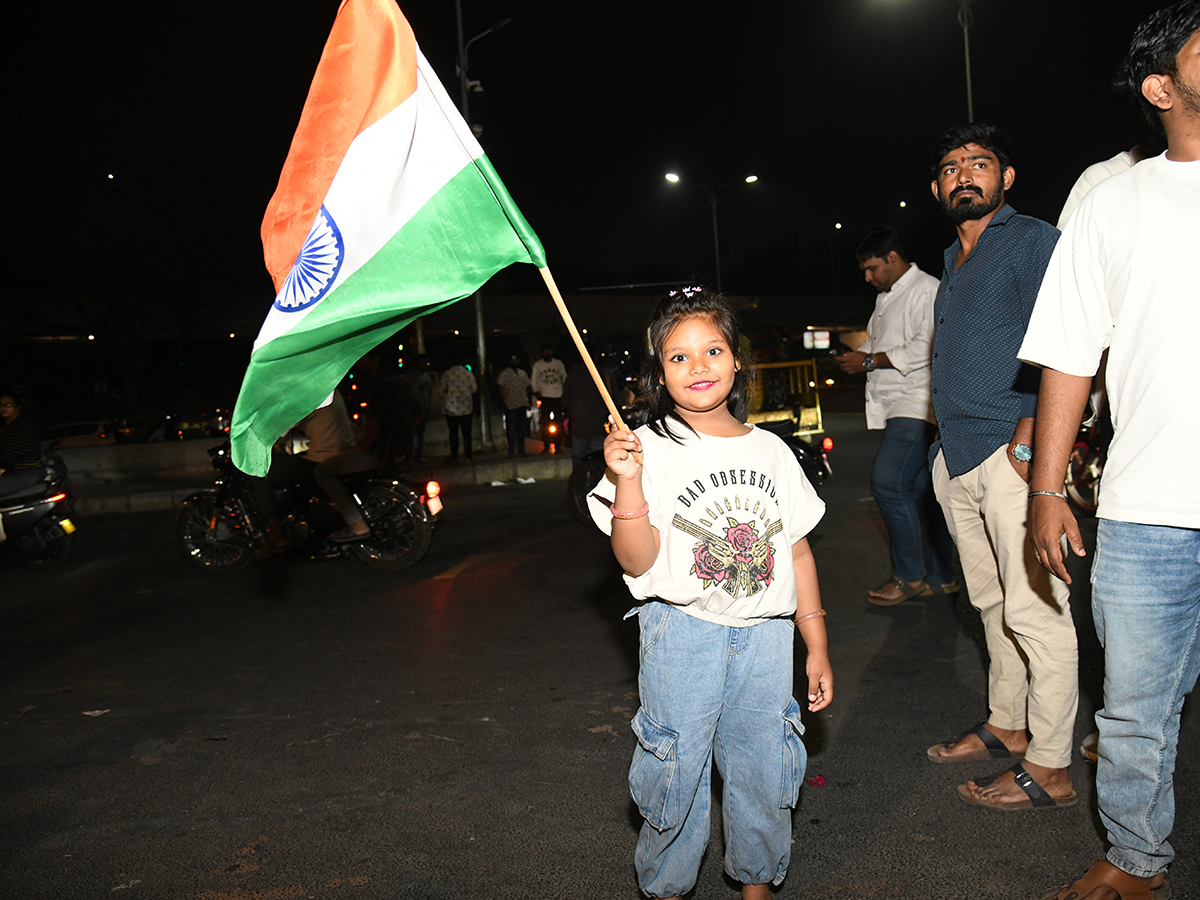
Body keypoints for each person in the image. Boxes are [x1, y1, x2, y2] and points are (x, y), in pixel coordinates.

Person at [1019, 5, 1199, 897]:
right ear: (1160, 86)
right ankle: (1135, 856)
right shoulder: (1113, 202)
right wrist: (1045, 491)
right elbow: (1068, 354)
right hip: (1147, 511)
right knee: (1133, 715)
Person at [594, 286, 832, 900]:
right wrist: (627, 482)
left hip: (768, 639)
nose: (698, 366)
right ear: (659, 372)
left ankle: (757, 886)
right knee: (676, 769)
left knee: (763, 767)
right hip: (682, 634)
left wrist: (818, 644)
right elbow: (636, 558)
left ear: (736, 361)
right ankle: (668, 888)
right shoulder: (646, 449)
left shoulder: (774, 451)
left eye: (712, 350)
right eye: (678, 357)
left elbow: (797, 551)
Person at [922, 122, 1079, 813]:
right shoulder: (951, 263)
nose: (965, 174)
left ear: (1005, 179)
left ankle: (1050, 765)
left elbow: (1065, 337)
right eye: (952, 167)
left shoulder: (1031, 240)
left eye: (979, 163)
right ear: (937, 188)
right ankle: (1007, 723)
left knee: (1037, 609)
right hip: (955, 457)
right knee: (989, 603)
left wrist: (1028, 436)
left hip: (1011, 453)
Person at [835, 226, 957, 605]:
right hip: (896, 404)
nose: (868, 277)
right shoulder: (887, 298)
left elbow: (928, 346)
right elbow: (881, 341)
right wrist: (859, 357)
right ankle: (941, 575)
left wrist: (869, 359)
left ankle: (909, 577)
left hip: (917, 402)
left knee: (888, 484)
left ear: (893, 257)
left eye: (872, 268)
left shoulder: (927, 290)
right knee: (920, 492)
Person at [562, 356, 613, 469]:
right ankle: (595, 482)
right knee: (597, 459)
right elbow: (615, 399)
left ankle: (579, 482)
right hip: (598, 425)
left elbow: (565, 400)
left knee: (578, 459)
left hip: (579, 424)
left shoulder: (573, 376)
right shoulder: (605, 375)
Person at [531, 343, 567, 453]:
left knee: (558, 422)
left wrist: (564, 393)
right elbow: (534, 379)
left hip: (557, 396)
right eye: (545, 351)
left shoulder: (558, 364)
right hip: (545, 396)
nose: (547, 353)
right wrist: (537, 392)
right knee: (545, 422)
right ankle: (546, 446)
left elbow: (564, 378)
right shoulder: (538, 365)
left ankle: (558, 445)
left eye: (549, 351)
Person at [441, 357, 477, 463]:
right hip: (466, 408)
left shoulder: (446, 375)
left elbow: (442, 390)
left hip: (451, 409)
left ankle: (454, 456)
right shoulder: (468, 374)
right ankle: (468, 456)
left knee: (453, 434)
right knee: (467, 434)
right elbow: (474, 389)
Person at [495, 354, 532, 458]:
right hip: (510, 405)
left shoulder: (522, 373)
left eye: (516, 360)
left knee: (521, 430)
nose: (514, 362)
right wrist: (502, 402)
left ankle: (522, 450)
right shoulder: (504, 374)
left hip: (522, 403)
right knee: (511, 430)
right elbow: (498, 387)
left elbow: (528, 387)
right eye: (512, 360)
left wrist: (529, 401)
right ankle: (512, 451)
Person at [0, 393, 40, 473]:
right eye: (1, 405)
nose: (3, 408)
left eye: (8, 405)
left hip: (24, 472)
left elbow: (10, 456)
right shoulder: (10, 426)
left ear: (18, 407)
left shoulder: (18, 427)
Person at [409, 354, 433, 463]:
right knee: (410, 434)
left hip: (423, 410)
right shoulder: (410, 377)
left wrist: (428, 406)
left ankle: (418, 456)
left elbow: (429, 393)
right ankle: (409, 456)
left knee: (420, 434)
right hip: (412, 411)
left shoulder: (425, 377)